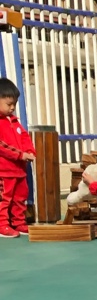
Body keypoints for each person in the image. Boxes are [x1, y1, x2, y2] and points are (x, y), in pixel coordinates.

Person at [0, 77, 34, 237]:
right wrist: (21, 154)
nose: (12, 107)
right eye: (9, 104)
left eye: (14, 104)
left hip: (20, 171)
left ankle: (19, 223)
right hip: (4, 172)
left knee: (20, 198)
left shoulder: (14, 122)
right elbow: (2, 146)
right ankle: (2, 225)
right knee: (4, 199)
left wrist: (30, 151)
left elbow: (25, 138)